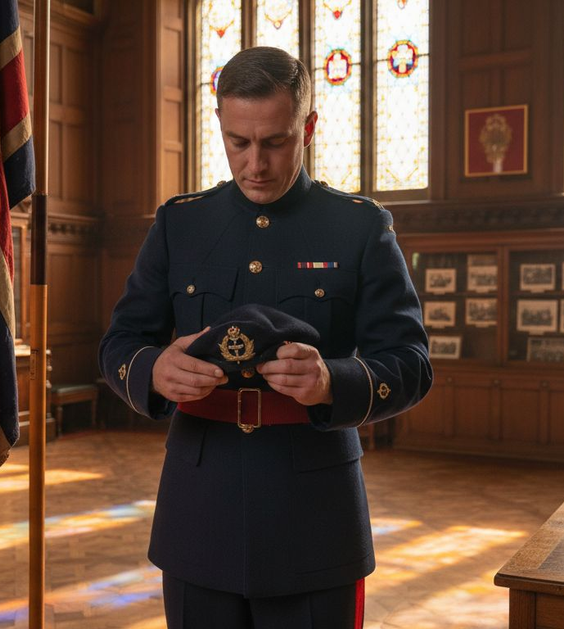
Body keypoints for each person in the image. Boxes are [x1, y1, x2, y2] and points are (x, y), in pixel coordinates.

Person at [98, 46, 432, 628]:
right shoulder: (181, 223)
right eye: (238, 142)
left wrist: (334, 380)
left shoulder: (357, 226)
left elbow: (410, 362)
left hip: (313, 513)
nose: (255, 164)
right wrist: (152, 369)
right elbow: (120, 343)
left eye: (275, 142)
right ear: (221, 125)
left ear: (308, 127)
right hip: (199, 507)